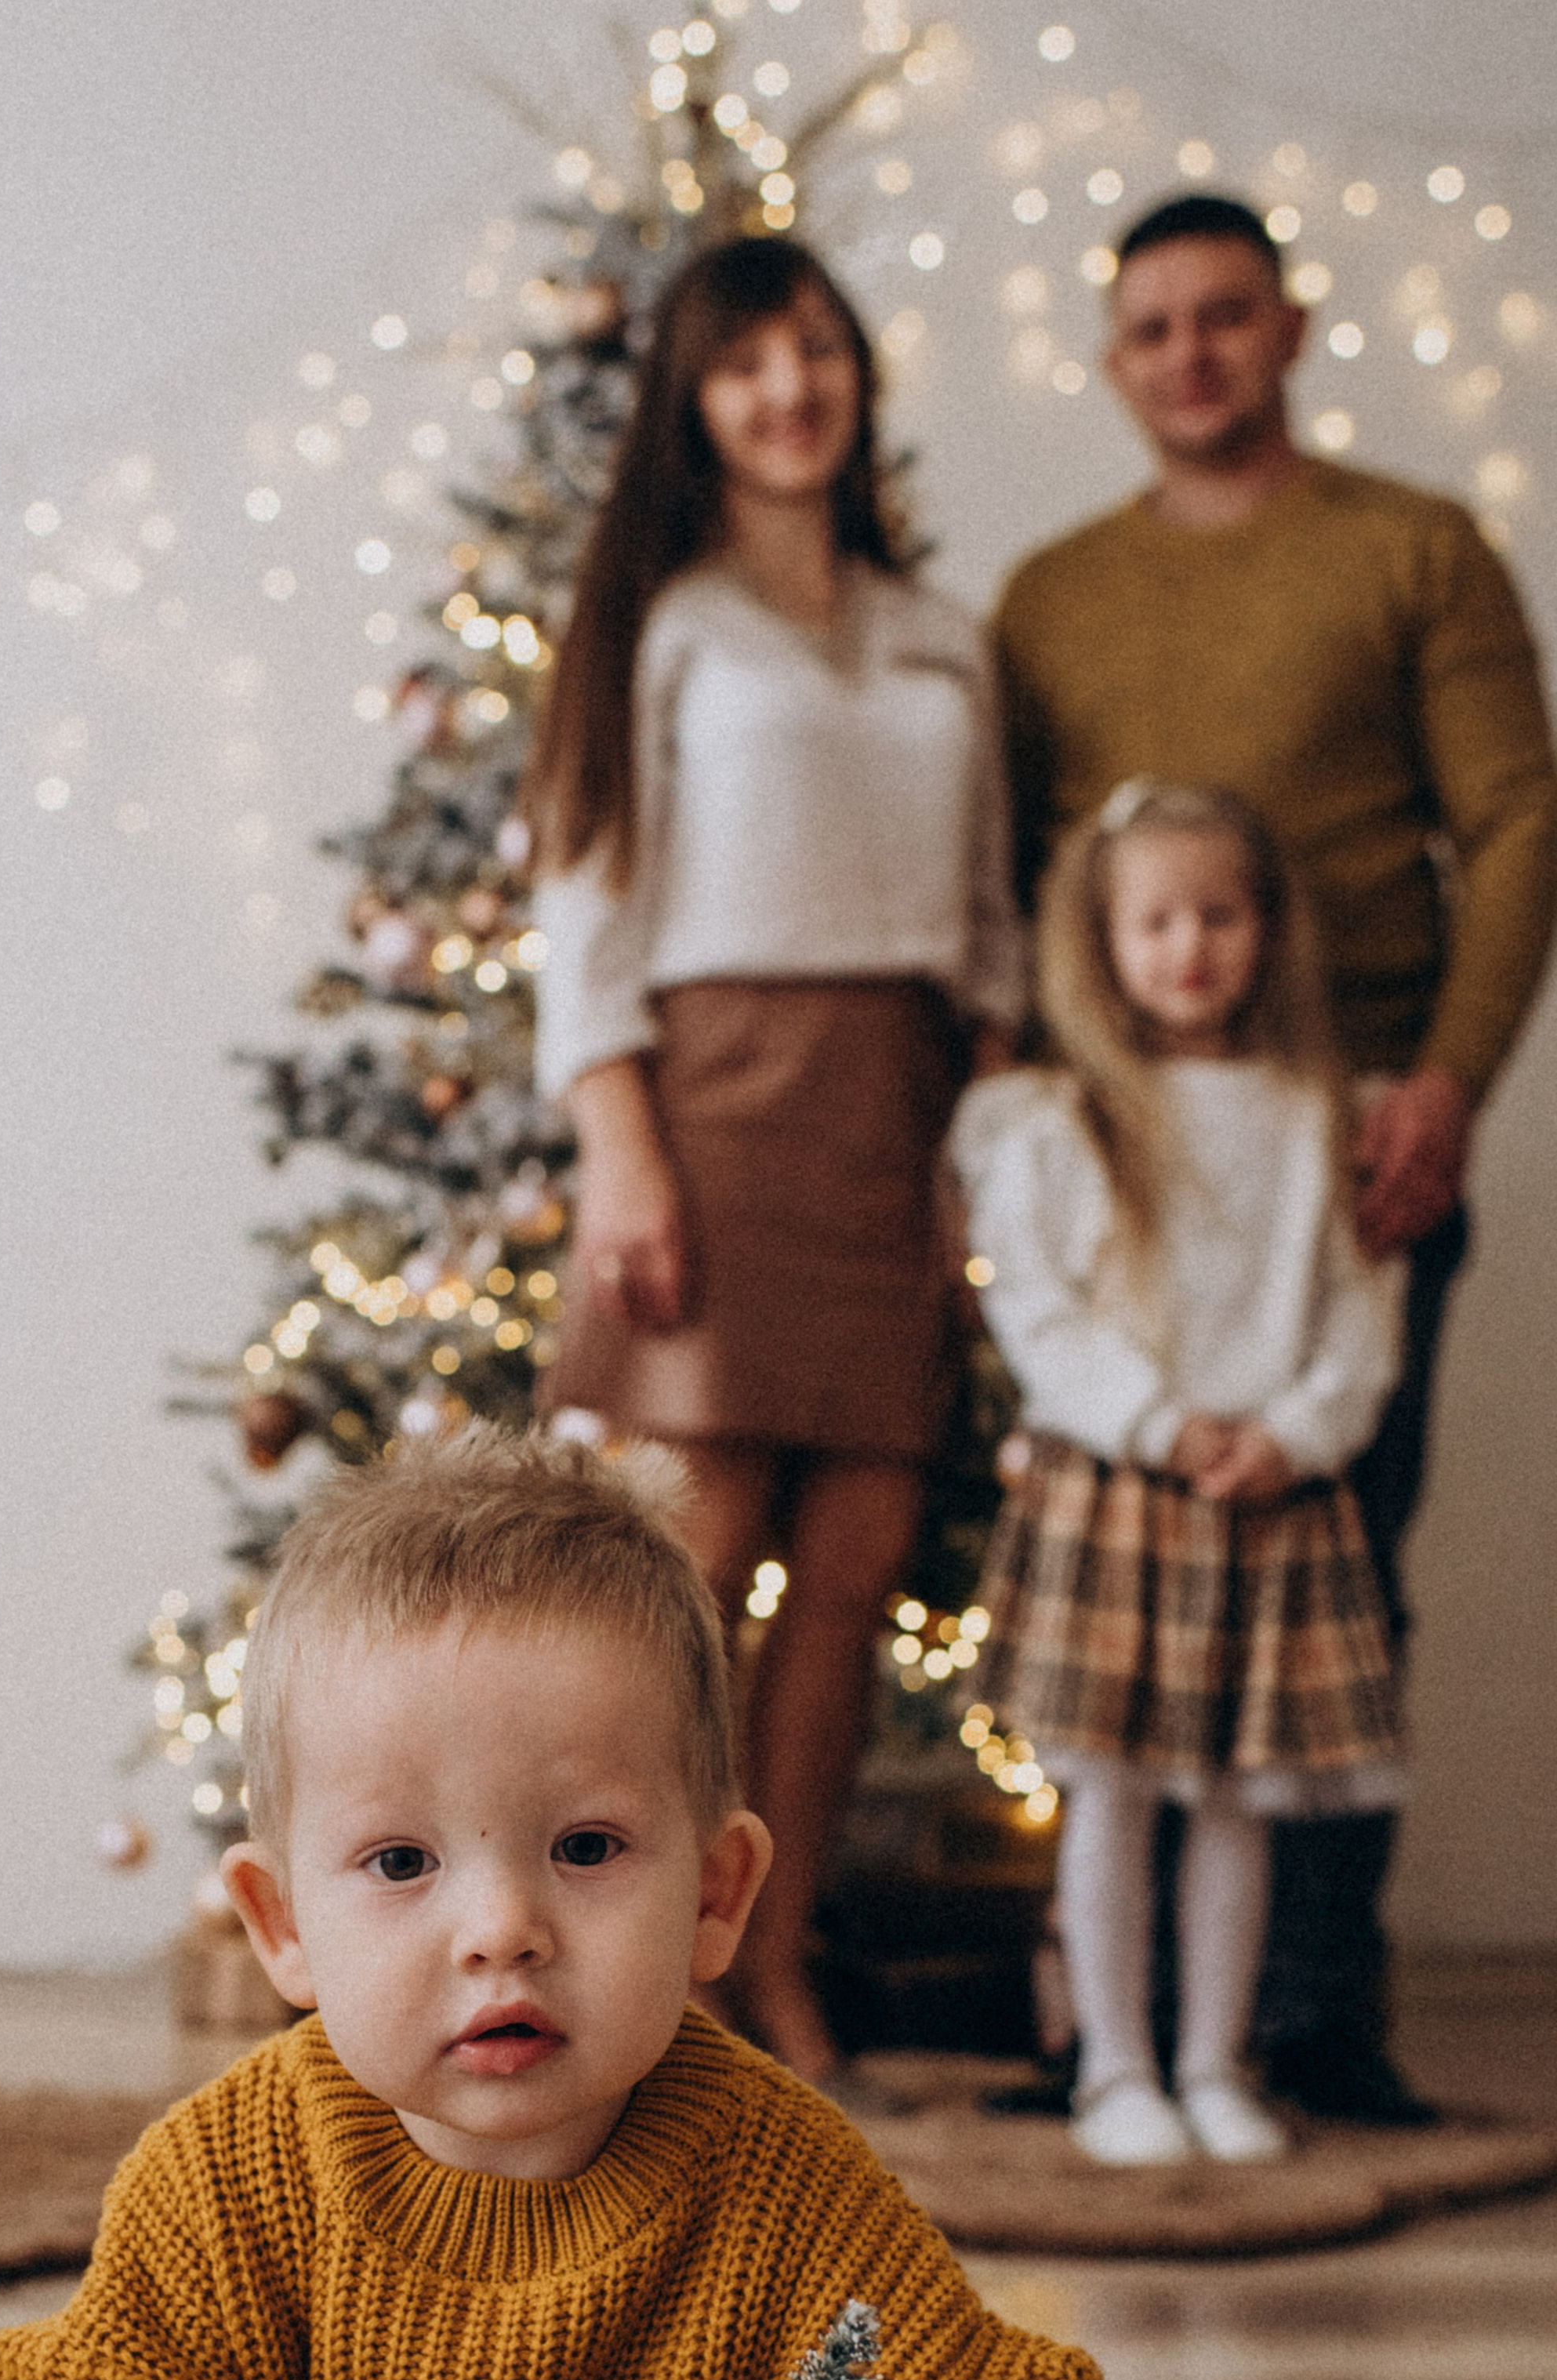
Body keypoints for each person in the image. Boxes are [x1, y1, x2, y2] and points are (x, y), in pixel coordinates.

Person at [0, 1427, 1174, 2380]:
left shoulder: (790, 2191)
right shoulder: (228, 2182)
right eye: (401, 1863)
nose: (501, 1928)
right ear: (281, 1926)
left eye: (585, 1848)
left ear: (716, 1893)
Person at [993, 190, 1557, 2125]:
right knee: (1119, 1631)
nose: (1189, 355)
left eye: (1222, 316)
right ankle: (1105, 2029)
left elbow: (1511, 824)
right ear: (1110, 357)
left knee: (1338, 1573)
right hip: (1120, 1165)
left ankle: (1305, 2018)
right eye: (1148, 327)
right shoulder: (1050, 595)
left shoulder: (1411, 549)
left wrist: (1447, 1080)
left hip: (1355, 1144)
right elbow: (1012, 881)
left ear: (1288, 328)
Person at [525, 235, 1022, 2083]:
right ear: (694, 403)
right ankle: (649, 1982)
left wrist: (982, 1140)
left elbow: (982, 925)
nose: (787, 389)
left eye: (814, 351)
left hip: (897, 1109)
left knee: (862, 1550)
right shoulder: (661, 626)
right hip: (710, 1100)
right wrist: (620, 1150)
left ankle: (778, 1961)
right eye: (745, 364)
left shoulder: (941, 636)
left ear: (855, 375)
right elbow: (584, 897)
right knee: (687, 1561)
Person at [953, 784, 1405, 2167]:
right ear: (1104, 937)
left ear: (1267, 930)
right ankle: (1115, 2068)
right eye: (1156, 920)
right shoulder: (1057, 1117)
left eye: (1221, 914)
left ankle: (1217, 2064)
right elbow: (1038, 1309)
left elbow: (1358, 1315)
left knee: (1234, 1807)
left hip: (1270, 1495)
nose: (1190, 947)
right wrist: (1159, 1423)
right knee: (1113, 1797)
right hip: (1124, 1489)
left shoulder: (1317, 1115)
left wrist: (1297, 1431)